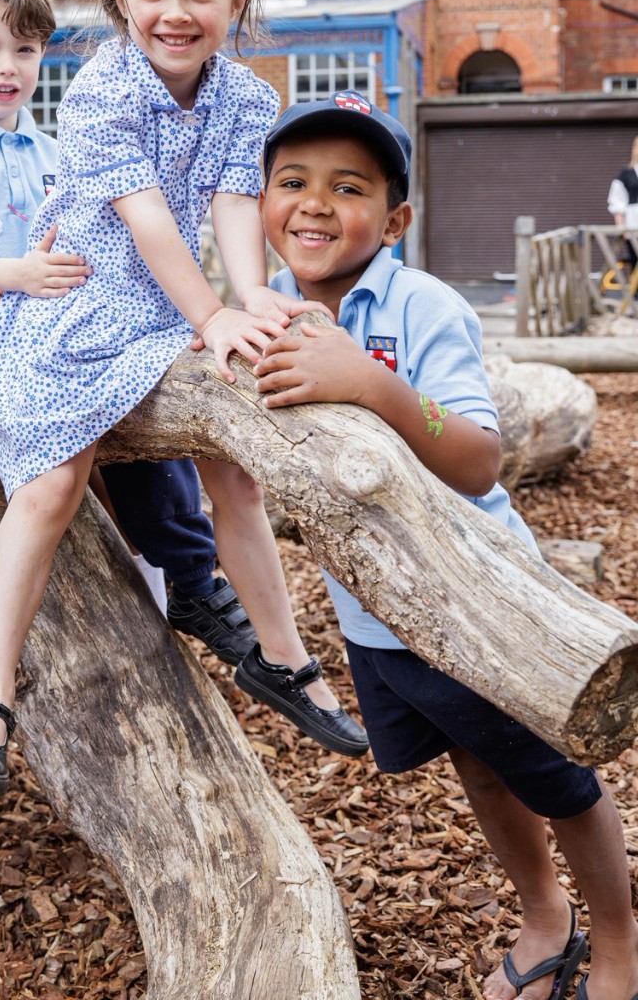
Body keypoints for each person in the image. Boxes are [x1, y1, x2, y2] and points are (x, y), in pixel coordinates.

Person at [0, 0, 368, 798]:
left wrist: (253, 299)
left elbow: (233, 203)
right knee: (53, 483)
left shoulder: (246, 95)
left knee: (238, 469)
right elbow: (146, 223)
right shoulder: (101, 89)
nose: (177, 13)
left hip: (165, 316)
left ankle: (281, 658)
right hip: (81, 312)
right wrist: (213, 316)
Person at [252, 89, 638, 1000]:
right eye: (291, 181)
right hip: (377, 611)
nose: (314, 202)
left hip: (478, 596)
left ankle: (620, 938)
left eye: (349, 187)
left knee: (554, 774)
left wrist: (375, 386)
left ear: (396, 218)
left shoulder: (420, 306)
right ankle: (545, 917)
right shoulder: (260, 308)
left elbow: (477, 458)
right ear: (261, 200)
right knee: (477, 762)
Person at [0, 0, 258, 783]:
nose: (6, 67)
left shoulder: (53, 146)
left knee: (132, 418)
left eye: (23, 49)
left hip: (40, 333)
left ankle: (192, 577)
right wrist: (13, 274)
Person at [607, 136, 638, 277]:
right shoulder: (626, 174)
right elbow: (617, 199)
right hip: (634, 223)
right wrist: (621, 227)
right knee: (635, 259)